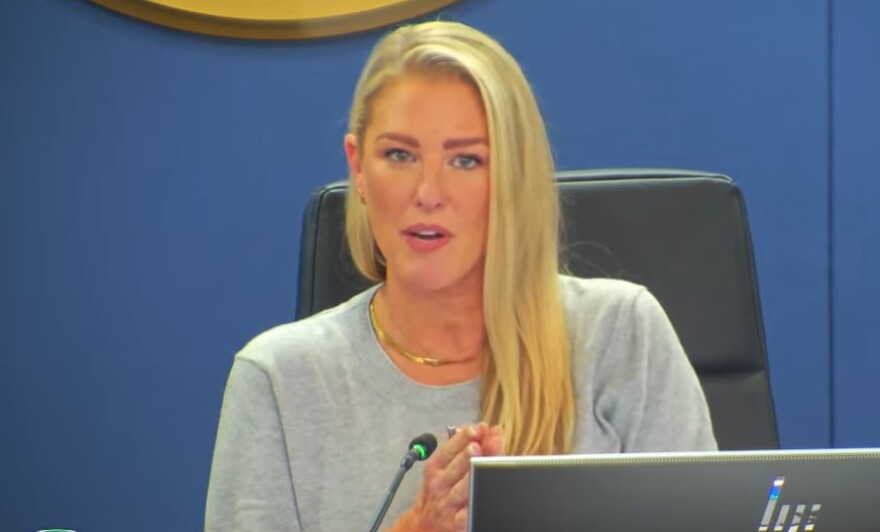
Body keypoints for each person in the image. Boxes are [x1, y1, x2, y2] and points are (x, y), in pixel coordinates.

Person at [205, 20, 716, 532]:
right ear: (358, 168)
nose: (428, 192)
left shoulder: (620, 335)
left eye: (466, 160)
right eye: (399, 155)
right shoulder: (278, 379)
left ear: (511, 180)